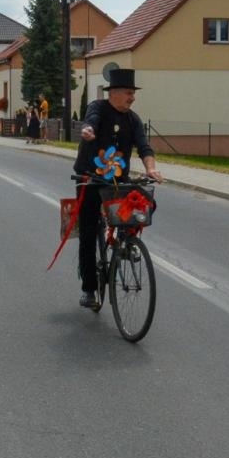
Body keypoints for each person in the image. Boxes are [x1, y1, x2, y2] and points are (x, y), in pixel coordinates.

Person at [72, 68, 162, 310]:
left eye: (133, 93)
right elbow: (90, 122)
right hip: (90, 177)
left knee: (138, 210)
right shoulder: (98, 108)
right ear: (114, 93)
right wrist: (87, 130)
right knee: (89, 232)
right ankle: (89, 288)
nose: (132, 98)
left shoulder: (133, 119)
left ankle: (126, 241)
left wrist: (151, 169)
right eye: (129, 93)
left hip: (117, 181)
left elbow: (144, 147)